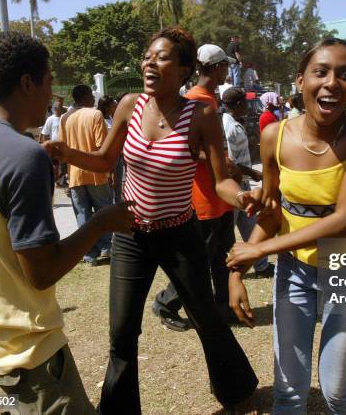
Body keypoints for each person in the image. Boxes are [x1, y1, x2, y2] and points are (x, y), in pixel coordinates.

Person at [46, 27, 259, 414]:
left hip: (180, 234)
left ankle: (238, 390)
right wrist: (67, 153)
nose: (149, 62)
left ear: (183, 70)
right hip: (130, 235)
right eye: (147, 56)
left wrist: (242, 198)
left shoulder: (202, 114)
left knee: (207, 318)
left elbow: (221, 180)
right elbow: (104, 160)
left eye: (161, 57)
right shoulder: (129, 105)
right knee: (121, 333)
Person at [0, 31, 133, 415]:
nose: (54, 90)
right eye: (50, 80)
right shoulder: (23, 156)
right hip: (27, 350)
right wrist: (103, 221)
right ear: (27, 83)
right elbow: (42, 271)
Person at [226, 37, 346, 414]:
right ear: (300, 80)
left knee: (335, 390)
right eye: (321, 72)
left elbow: (345, 221)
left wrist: (260, 250)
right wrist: (237, 272)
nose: (333, 82)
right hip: (295, 272)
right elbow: (272, 212)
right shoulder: (274, 137)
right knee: (289, 392)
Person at [152, 43, 246, 330]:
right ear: (216, 68)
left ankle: (223, 307)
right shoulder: (193, 101)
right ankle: (166, 303)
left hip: (220, 196)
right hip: (202, 198)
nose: (227, 70)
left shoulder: (210, 99)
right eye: (225, 66)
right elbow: (181, 147)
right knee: (197, 262)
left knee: (222, 257)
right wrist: (219, 160)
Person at [221, 87, 274, 277]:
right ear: (237, 104)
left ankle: (261, 266)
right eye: (245, 102)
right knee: (225, 235)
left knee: (251, 225)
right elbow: (230, 161)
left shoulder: (234, 122)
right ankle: (223, 270)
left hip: (242, 183)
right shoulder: (230, 127)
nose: (248, 106)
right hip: (234, 186)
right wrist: (252, 172)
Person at [59, 84, 113, 266]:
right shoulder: (95, 114)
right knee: (104, 211)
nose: (94, 97)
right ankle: (106, 248)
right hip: (95, 172)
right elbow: (101, 146)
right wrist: (109, 170)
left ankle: (89, 253)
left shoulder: (64, 118)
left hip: (74, 173)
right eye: (91, 94)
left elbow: (62, 147)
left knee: (82, 215)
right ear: (85, 96)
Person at [98, 95, 123, 203]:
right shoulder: (101, 120)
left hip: (118, 155)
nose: (116, 106)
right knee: (110, 183)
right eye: (113, 105)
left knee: (118, 184)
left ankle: (118, 208)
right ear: (107, 107)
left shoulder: (112, 118)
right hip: (110, 156)